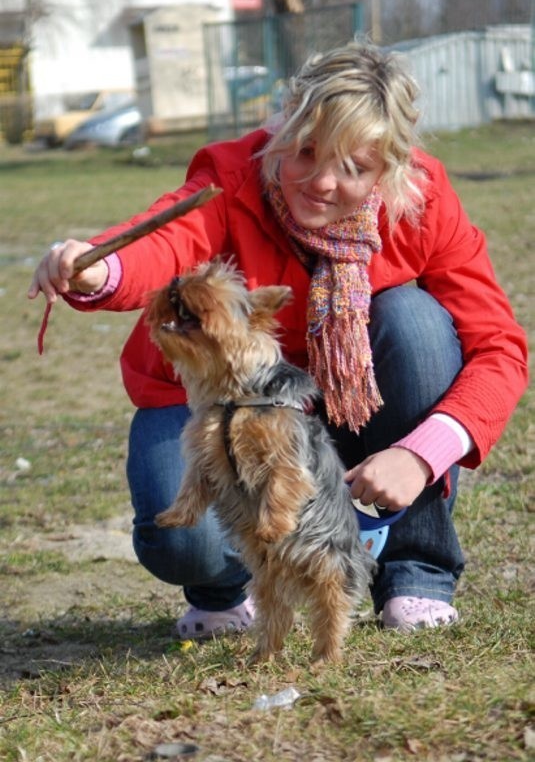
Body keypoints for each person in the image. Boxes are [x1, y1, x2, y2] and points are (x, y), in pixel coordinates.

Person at [28, 41, 528, 637]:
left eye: (354, 167)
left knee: (415, 320)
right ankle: (226, 587)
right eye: (306, 151)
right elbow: (163, 242)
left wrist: (421, 455)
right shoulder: (229, 174)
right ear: (283, 124)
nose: (321, 182)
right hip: (213, 404)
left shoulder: (421, 203)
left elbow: (499, 346)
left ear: (390, 168)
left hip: (347, 413)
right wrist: (97, 267)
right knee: (181, 538)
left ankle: (413, 570)